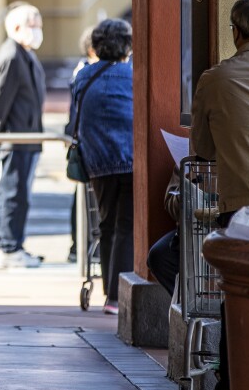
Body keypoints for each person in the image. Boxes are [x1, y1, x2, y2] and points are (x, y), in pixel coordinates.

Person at [190, 0, 249, 390]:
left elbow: (201, 147)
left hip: (241, 206)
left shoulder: (216, 79)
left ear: (235, 32)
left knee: (236, 296)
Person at [73, 18, 133, 315]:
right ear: (127, 45)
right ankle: (117, 298)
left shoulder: (84, 76)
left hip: (97, 161)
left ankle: (110, 293)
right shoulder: (133, 74)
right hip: (131, 160)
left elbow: (75, 120)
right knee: (127, 226)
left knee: (107, 225)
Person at [0, 2, 46, 269]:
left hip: (29, 138)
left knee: (21, 196)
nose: (37, 30)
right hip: (15, 138)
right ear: (17, 27)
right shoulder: (10, 56)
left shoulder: (26, 54)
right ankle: (5, 247)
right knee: (11, 194)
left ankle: (15, 245)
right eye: (33, 25)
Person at [65, 26, 98, 263]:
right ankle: (79, 246)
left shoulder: (82, 73)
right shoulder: (84, 73)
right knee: (83, 199)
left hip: (86, 146)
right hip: (89, 146)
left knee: (84, 198)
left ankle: (80, 247)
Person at [146, 167, 183, 297]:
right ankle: (183, 303)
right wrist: (186, 188)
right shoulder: (184, 160)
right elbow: (170, 205)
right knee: (158, 255)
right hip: (190, 232)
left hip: (224, 229)